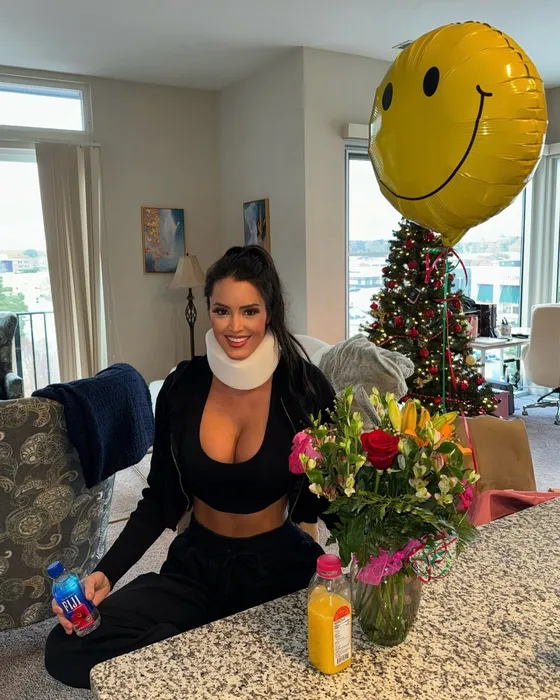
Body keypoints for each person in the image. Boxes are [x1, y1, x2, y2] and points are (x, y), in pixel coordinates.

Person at [45, 245, 336, 689]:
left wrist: (382, 551)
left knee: (320, 655)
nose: (234, 327)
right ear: (209, 311)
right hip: (198, 564)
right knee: (65, 649)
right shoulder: (182, 386)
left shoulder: (304, 388)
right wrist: (106, 572)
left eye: (249, 311)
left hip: (280, 566)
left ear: (270, 312)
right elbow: (160, 498)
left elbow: (336, 494)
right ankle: (203, 654)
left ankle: (203, 657)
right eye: (222, 311)